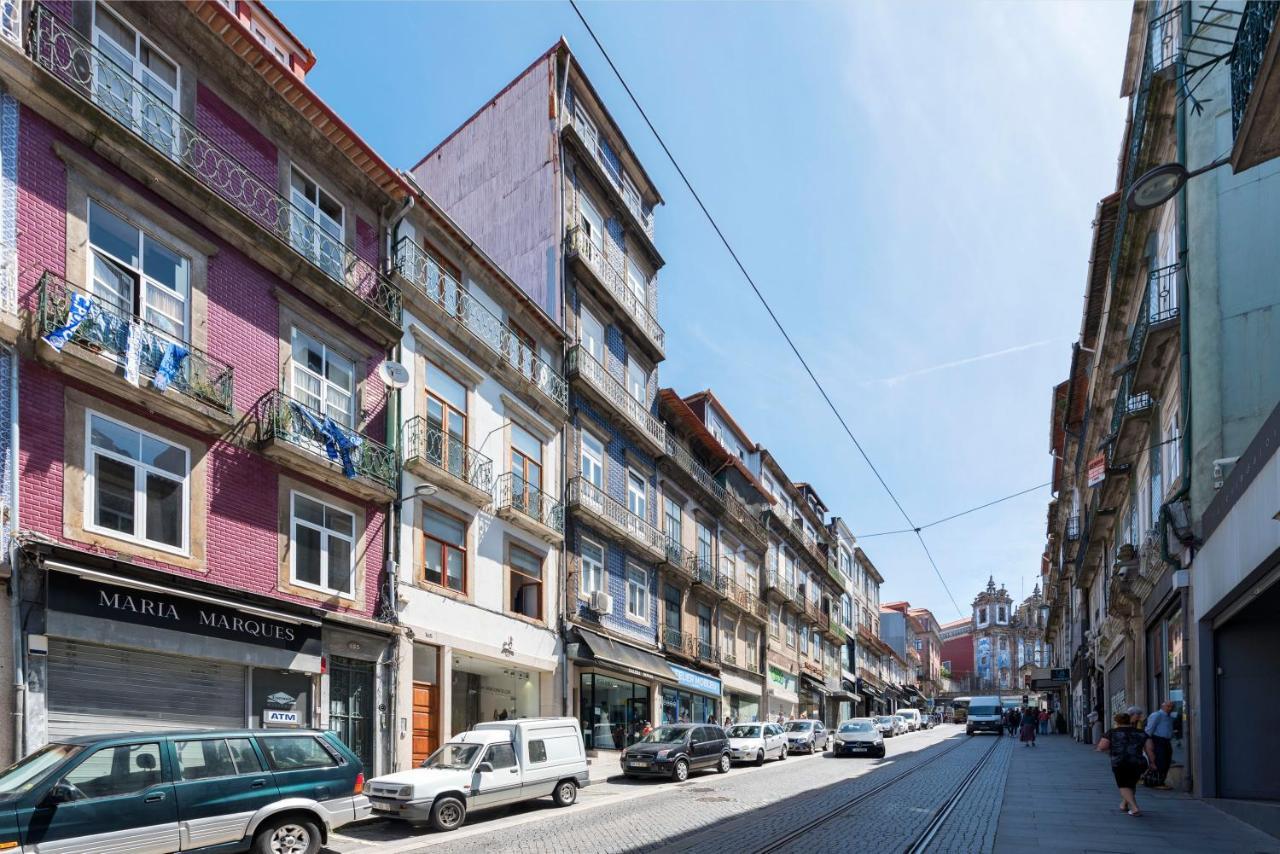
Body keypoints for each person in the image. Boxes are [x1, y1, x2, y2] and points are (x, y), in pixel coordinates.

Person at [1097, 712, 1157, 816]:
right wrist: (1152, 763)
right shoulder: (1141, 733)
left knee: (1123, 785)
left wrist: (1109, 749)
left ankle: (1134, 808)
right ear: (1130, 720)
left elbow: (1102, 747)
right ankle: (1124, 804)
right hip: (1138, 762)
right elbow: (1150, 750)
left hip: (1120, 762)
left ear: (1117, 722)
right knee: (1131, 783)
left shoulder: (1112, 732)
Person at [1145, 701, 1176, 789]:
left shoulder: (1169, 717)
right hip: (1158, 740)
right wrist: (1148, 740)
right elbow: (1149, 729)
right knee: (1160, 760)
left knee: (1167, 760)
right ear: (1162, 706)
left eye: (1172, 707)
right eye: (1168, 706)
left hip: (1166, 741)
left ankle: (1161, 780)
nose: (1170, 708)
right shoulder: (1157, 715)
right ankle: (1156, 781)